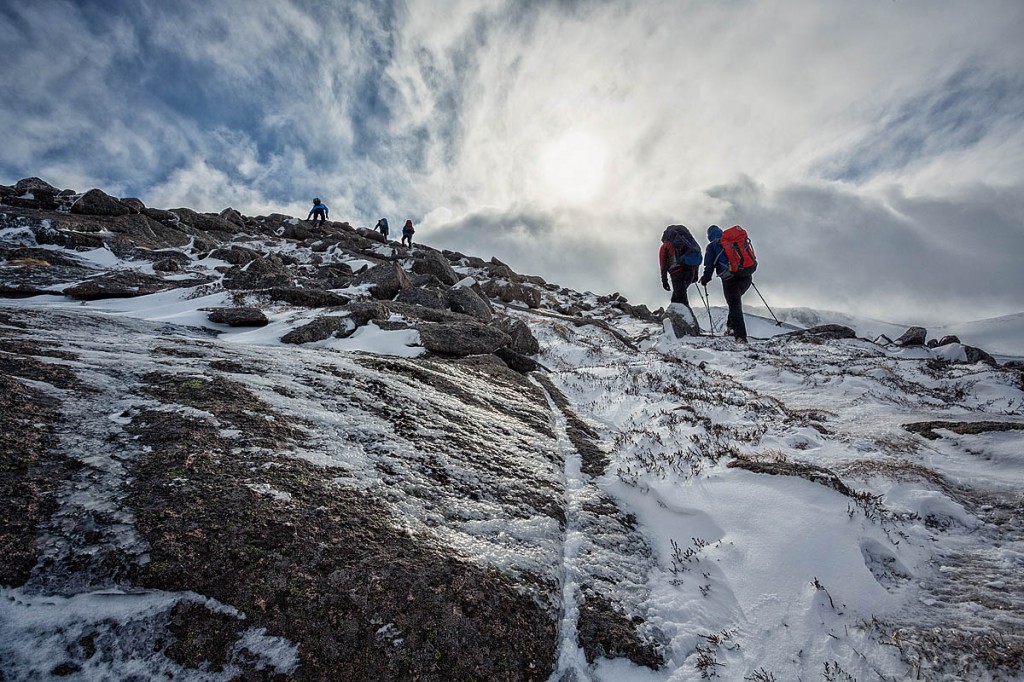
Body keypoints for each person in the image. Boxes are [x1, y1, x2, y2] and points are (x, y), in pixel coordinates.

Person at [699, 224, 754, 343]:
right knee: (734, 303)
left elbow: (709, 266)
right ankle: (731, 327)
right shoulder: (733, 241)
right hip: (746, 276)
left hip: (730, 280)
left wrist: (705, 279)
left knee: (734, 305)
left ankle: (740, 337)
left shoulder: (713, 246)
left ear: (709, 236)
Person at [658, 224, 700, 306]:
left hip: (677, 273)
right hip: (690, 272)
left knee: (681, 299)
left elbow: (663, 264)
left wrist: (664, 280)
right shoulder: (688, 242)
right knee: (676, 298)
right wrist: (695, 274)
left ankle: (685, 313)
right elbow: (695, 254)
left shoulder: (666, 245)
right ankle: (675, 313)